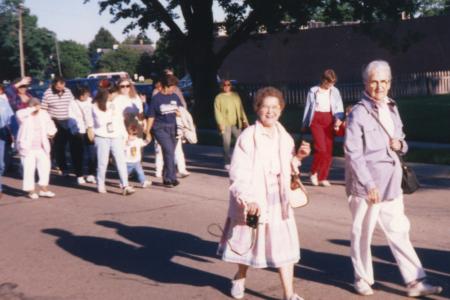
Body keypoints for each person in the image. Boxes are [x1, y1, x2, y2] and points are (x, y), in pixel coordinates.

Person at [344, 60, 442, 297]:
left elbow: (401, 141)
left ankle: (415, 281)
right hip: (367, 187)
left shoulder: (392, 107)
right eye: (374, 81)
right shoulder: (358, 113)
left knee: (399, 230)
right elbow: (352, 153)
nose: (379, 86)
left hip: (391, 183)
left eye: (384, 81)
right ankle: (362, 278)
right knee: (362, 233)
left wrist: (401, 144)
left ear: (389, 83)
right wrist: (368, 184)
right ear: (366, 83)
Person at [218, 87, 311, 300]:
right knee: (247, 244)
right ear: (257, 109)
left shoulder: (284, 135)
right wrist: (248, 199)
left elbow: (287, 169)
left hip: (279, 200)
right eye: (265, 107)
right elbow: (238, 173)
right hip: (254, 200)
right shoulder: (248, 136)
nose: (270, 111)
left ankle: (289, 294)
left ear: (281, 109)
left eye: (275, 107)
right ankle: (240, 276)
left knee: (284, 247)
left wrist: (299, 157)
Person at [302, 69, 344, 187]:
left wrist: (338, 119)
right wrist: (304, 123)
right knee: (321, 149)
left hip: (329, 120)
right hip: (316, 120)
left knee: (328, 150)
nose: (331, 85)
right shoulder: (313, 91)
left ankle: (323, 177)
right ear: (324, 80)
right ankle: (313, 172)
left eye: (333, 83)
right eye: (329, 83)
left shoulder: (335, 91)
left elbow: (339, 106)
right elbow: (308, 107)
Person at [92, 88, 135, 195]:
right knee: (103, 162)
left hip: (116, 136)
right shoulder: (95, 105)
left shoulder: (114, 104)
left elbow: (120, 121)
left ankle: (125, 185)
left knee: (121, 161)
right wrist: (110, 112)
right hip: (101, 136)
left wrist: (125, 135)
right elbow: (100, 122)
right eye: (111, 94)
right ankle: (100, 184)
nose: (113, 96)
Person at [145, 74, 183, 187]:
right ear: (165, 86)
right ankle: (171, 178)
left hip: (173, 127)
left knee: (169, 153)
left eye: (175, 87)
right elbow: (151, 116)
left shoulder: (175, 97)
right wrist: (147, 132)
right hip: (160, 128)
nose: (174, 89)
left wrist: (179, 113)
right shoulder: (156, 99)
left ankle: (167, 176)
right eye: (172, 87)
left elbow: (181, 112)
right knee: (169, 151)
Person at [16, 98, 57, 199]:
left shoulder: (43, 114)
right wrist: (32, 109)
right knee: (29, 169)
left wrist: (51, 132)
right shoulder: (24, 115)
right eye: (34, 106)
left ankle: (43, 189)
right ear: (29, 106)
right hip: (27, 148)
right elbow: (18, 114)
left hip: (41, 147)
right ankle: (31, 191)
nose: (37, 108)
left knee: (45, 166)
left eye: (38, 106)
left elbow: (51, 125)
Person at [41, 76, 75, 176]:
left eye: (62, 86)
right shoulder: (47, 93)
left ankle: (74, 167)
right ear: (53, 85)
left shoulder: (68, 91)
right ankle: (63, 168)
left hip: (68, 120)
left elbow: (73, 105)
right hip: (55, 121)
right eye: (58, 87)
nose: (61, 89)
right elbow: (44, 110)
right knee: (59, 146)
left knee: (73, 145)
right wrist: (48, 124)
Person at [214, 79, 248, 170]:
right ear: (222, 87)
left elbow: (241, 108)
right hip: (225, 123)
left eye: (228, 85)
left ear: (230, 86)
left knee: (241, 141)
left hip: (236, 123)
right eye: (224, 85)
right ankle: (226, 162)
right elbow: (217, 112)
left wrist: (244, 120)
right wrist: (220, 123)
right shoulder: (219, 97)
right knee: (226, 143)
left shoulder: (235, 96)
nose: (226, 87)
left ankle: (241, 160)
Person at [68, 86, 96, 185]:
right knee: (78, 155)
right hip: (78, 132)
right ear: (79, 96)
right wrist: (75, 130)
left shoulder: (90, 101)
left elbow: (94, 115)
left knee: (92, 153)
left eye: (88, 93)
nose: (87, 96)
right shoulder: (72, 103)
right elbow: (71, 118)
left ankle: (91, 174)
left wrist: (92, 127)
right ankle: (79, 175)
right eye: (85, 94)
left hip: (90, 130)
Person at [124, 122, 151, 188]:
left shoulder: (138, 140)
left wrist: (147, 133)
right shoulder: (125, 141)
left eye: (135, 134)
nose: (133, 136)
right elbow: (121, 149)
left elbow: (147, 141)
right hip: (128, 162)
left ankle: (143, 182)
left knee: (140, 172)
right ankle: (123, 183)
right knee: (125, 174)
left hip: (136, 161)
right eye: (131, 134)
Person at [0, 84, 14, 198]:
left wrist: (13, 133)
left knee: (2, 164)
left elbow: (10, 119)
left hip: (2, 135)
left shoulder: (3, 102)